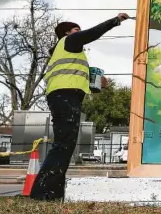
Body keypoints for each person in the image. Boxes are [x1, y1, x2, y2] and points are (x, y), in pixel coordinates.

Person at [29, 13, 130, 201]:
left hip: (64, 96)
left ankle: (52, 191)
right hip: (65, 96)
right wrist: (115, 21)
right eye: (77, 30)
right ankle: (44, 192)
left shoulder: (68, 51)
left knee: (65, 144)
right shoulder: (69, 40)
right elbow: (93, 33)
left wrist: (97, 82)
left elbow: (74, 75)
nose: (79, 33)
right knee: (63, 144)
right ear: (67, 32)